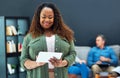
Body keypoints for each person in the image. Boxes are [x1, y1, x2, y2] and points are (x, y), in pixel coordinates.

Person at [20, 2, 76, 78]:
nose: (47, 20)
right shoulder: (29, 37)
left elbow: (72, 54)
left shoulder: (66, 35)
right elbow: (23, 60)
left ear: (55, 18)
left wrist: (62, 63)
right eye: (43, 17)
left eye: (50, 17)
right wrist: (36, 63)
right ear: (38, 17)